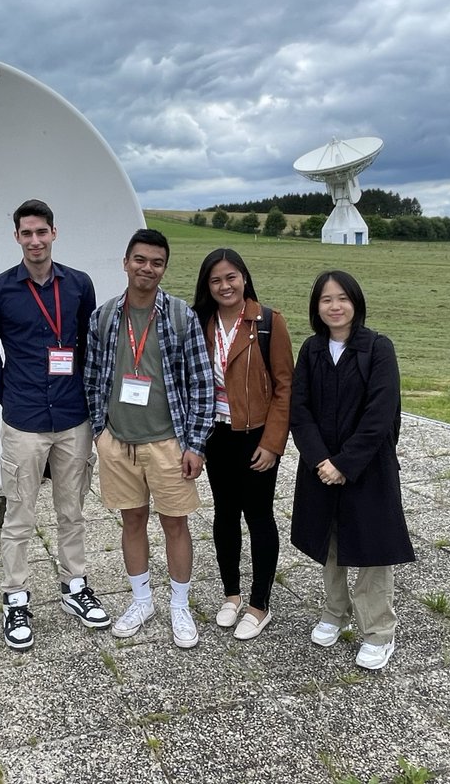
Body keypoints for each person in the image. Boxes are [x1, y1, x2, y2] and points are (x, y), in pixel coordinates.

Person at [0, 199, 109, 651]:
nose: (35, 240)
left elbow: (88, 345)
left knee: (72, 511)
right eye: (26, 233)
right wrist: (10, 398)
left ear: (54, 233)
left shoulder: (79, 285)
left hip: (73, 417)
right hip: (25, 420)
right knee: (19, 515)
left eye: (42, 232)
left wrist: (88, 399)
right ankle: (15, 598)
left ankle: (75, 586)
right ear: (16, 237)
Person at [85, 228, 214, 649]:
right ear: (125, 262)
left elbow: (201, 384)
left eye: (156, 262)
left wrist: (195, 444)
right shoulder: (104, 317)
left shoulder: (179, 316)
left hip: (167, 442)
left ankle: (179, 604)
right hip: (119, 441)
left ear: (164, 268)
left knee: (175, 524)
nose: (147, 268)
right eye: (140, 259)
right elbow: (91, 378)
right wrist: (100, 432)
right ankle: (142, 600)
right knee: (132, 520)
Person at [289, 269, 414, 671]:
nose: (335, 306)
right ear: (317, 307)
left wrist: (345, 464)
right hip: (321, 466)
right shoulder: (312, 349)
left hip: (368, 467)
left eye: (342, 298)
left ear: (356, 302)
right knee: (331, 543)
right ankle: (334, 612)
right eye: (326, 300)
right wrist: (319, 460)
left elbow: (380, 414)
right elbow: (300, 409)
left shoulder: (378, 348)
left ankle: (378, 631)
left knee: (373, 549)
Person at [191, 248, 294, 641]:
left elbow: (285, 387)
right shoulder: (201, 323)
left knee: (259, 516)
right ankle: (231, 595)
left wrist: (273, 443)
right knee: (224, 515)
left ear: (244, 278)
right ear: (208, 286)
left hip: (256, 435)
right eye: (216, 280)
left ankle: (259, 603)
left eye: (231, 277)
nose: (225, 286)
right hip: (216, 434)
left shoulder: (268, 322)